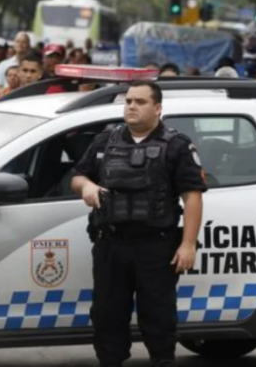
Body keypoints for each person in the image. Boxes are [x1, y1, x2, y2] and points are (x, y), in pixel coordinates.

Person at [71, 81, 206, 367]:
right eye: (129, 101)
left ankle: (162, 360)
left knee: (158, 315)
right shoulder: (104, 141)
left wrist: (188, 244)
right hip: (111, 243)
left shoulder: (176, 145)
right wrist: (86, 187)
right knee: (107, 315)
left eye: (140, 102)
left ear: (157, 108)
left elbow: (192, 197)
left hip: (155, 246)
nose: (131, 106)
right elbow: (78, 176)